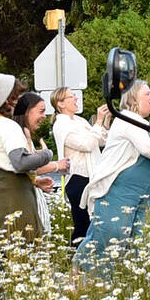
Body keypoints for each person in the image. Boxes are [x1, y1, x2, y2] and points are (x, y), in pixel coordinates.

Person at [77, 80, 150, 273]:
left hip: (138, 199)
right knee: (106, 241)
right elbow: (146, 148)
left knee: (133, 246)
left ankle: (119, 285)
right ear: (133, 98)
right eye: (147, 94)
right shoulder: (127, 119)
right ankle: (80, 282)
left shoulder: (141, 124)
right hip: (116, 194)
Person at [0, 76, 63, 243]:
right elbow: (20, 162)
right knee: (24, 249)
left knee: (1, 252)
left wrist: (35, 180)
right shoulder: (8, 126)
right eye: (15, 96)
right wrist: (46, 155)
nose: (18, 101)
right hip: (14, 196)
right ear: (6, 99)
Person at [50, 87, 108, 245]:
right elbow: (88, 144)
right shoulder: (61, 125)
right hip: (78, 179)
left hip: (92, 176)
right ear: (60, 104)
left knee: (96, 223)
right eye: (71, 96)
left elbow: (101, 141)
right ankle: (76, 262)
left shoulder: (80, 121)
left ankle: (90, 260)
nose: (76, 99)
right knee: (82, 225)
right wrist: (98, 122)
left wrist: (105, 121)